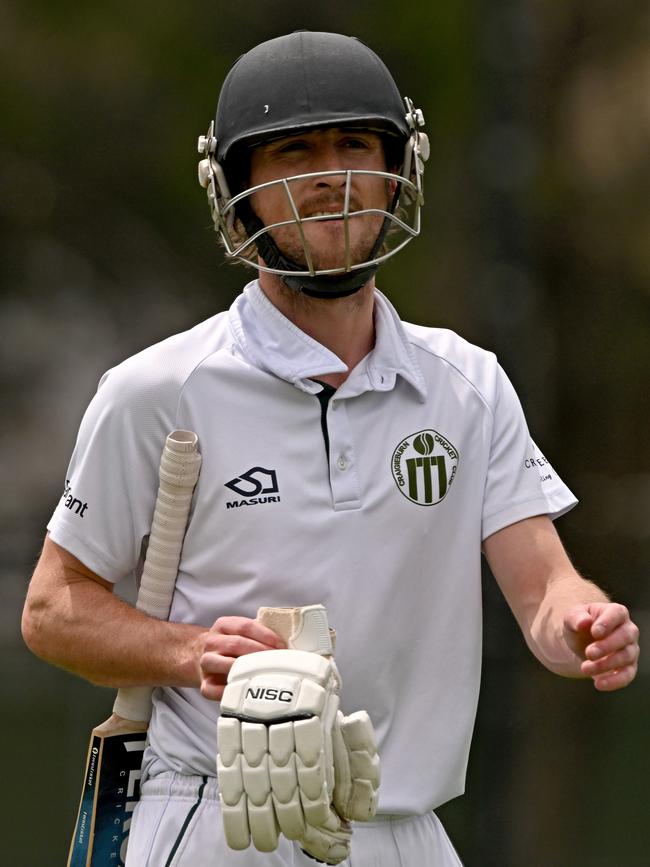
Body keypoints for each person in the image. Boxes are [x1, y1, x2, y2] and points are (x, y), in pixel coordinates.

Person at [21, 31, 639, 867]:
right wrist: (188, 649)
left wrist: (581, 623)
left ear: (400, 169)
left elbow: (543, 591)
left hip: (409, 830)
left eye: (356, 144)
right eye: (292, 152)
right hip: (222, 820)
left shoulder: (469, 383)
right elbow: (54, 610)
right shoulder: (159, 388)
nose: (330, 178)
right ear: (237, 191)